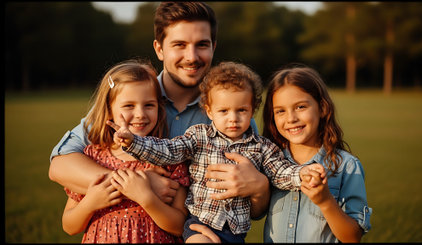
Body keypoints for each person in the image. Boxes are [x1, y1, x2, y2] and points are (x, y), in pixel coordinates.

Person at [48, 1, 270, 227]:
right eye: (179, 45)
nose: (191, 56)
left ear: (214, 46)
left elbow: (255, 211)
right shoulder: (132, 99)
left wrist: (260, 187)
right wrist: (141, 186)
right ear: (159, 49)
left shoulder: (232, 116)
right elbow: (59, 166)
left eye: (202, 44)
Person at [108, 62, 325, 243]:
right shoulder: (199, 136)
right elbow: (168, 151)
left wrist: (303, 174)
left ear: (253, 109)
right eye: (224, 111)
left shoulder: (263, 147)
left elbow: (281, 172)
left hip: (236, 232)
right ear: (209, 111)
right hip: (200, 224)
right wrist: (133, 142)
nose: (233, 118)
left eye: (241, 110)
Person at [61, 59, 190, 243]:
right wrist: (90, 203)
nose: (140, 114)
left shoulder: (169, 158)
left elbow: (180, 227)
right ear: (109, 110)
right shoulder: (93, 158)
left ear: (159, 108)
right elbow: (69, 226)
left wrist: (146, 198)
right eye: (129, 106)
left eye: (149, 105)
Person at [261, 65, 372, 242]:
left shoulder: (347, 167)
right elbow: (255, 212)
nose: (291, 118)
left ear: (322, 108)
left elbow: (353, 237)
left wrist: (326, 201)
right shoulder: (269, 163)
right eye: (280, 111)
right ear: (272, 117)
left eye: (300, 107)